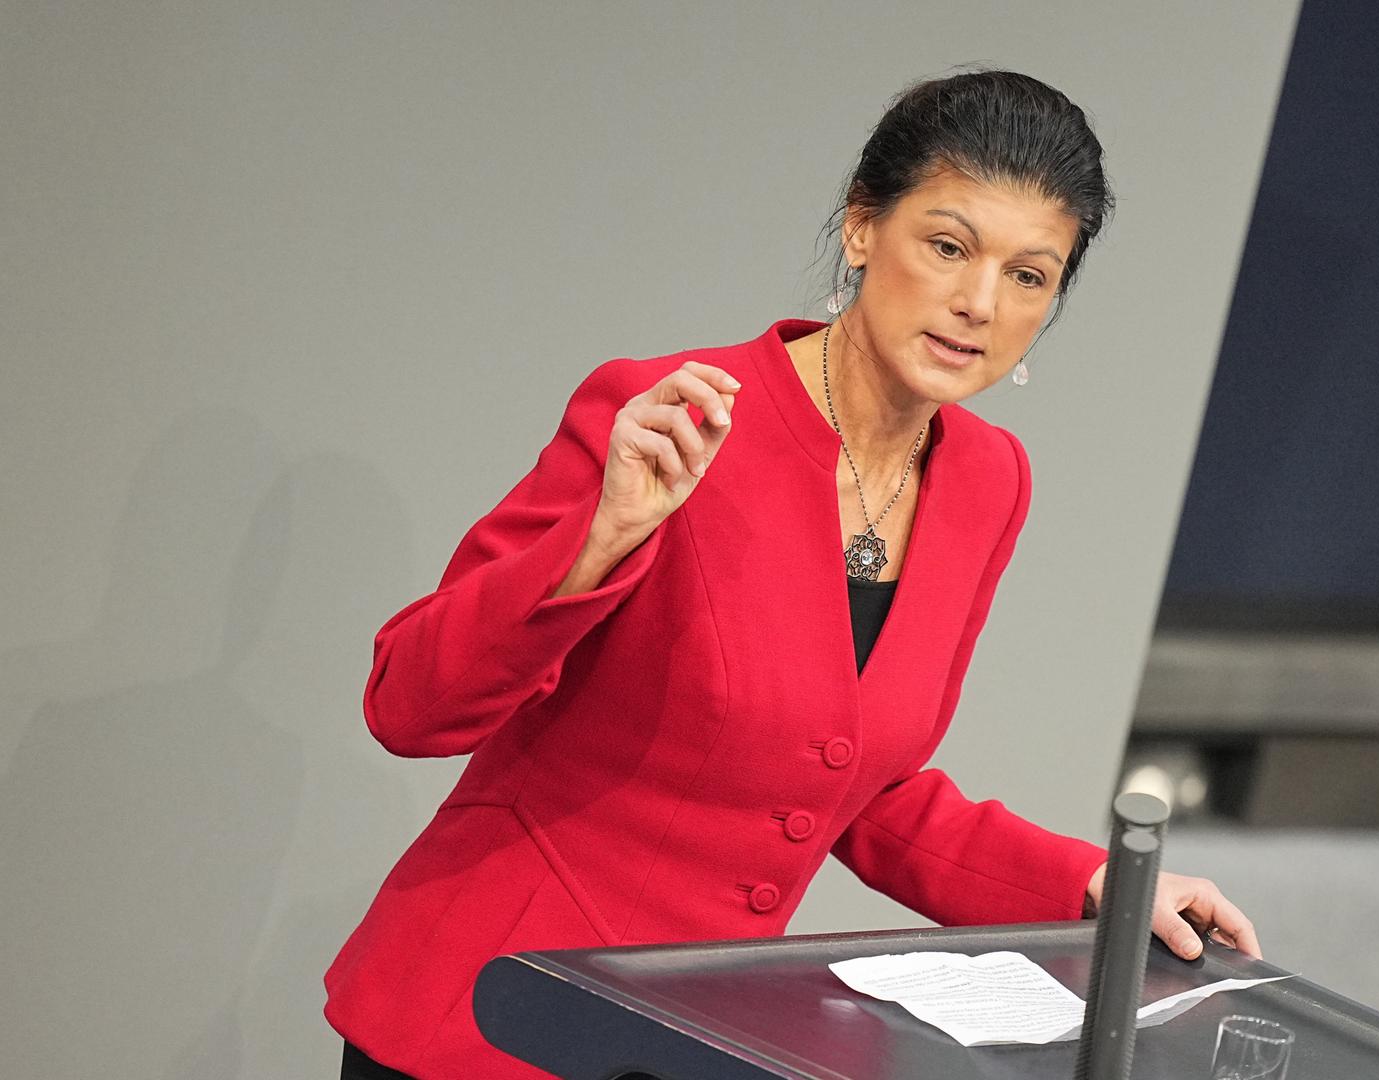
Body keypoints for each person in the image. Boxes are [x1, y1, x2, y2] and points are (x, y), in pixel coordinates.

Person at [325, 68, 1262, 1080]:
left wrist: (1097, 891)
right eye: (948, 246)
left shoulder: (989, 480)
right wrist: (597, 542)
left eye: (1030, 276)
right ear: (862, 229)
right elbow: (408, 708)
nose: (979, 303)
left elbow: (857, 785)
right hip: (489, 1018)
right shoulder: (672, 417)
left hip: (685, 1041)